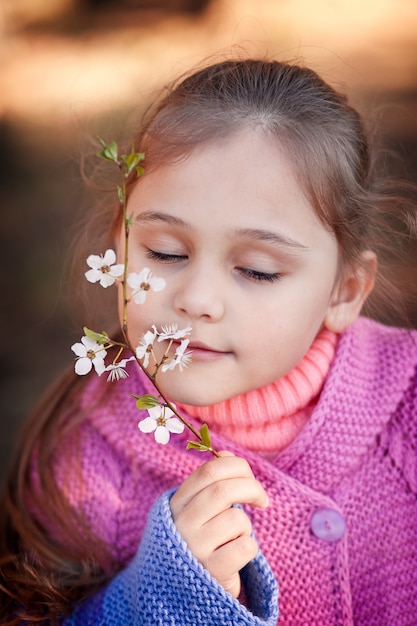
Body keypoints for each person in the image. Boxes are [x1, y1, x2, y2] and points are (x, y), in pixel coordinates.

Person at [1, 57, 417, 626]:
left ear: (345, 290)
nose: (197, 299)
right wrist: (150, 598)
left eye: (257, 270)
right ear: (119, 248)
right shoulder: (83, 459)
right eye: (165, 254)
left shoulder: (408, 410)